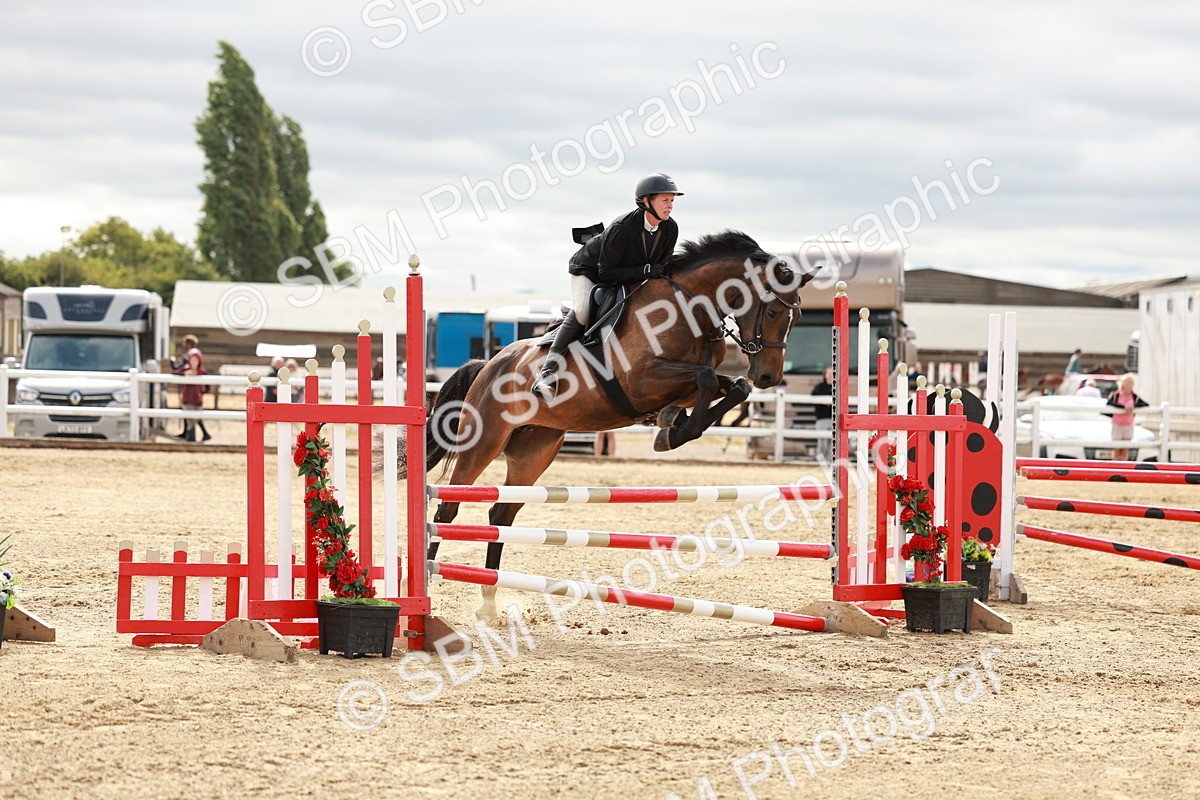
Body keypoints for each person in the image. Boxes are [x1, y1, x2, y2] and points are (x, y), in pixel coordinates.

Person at [531, 172, 684, 400]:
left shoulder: (670, 229)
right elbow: (607, 271)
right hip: (591, 271)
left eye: (672, 200)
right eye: (665, 200)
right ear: (646, 201)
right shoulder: (623, 228)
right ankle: (546, 372)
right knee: (583, 310)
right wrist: (644, 271)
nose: (670, 205)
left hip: (625, 275)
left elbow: (660, 264)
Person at [172, 334, 211, 442]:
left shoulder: (190, 354)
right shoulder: (196, 354)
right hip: (192, 394)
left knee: (192, 415)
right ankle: (190, 434)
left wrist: (174, 364)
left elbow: (178, 368)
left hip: (193, 394)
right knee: (191, 414)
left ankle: (191, 435)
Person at [1106, 373, 1148, 461]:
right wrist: (1123, 408)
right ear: (1122, 383)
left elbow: (1145, 404)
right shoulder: (1116, 395)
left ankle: (1124, 467)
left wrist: (1133, 407)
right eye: (1127, 381)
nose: (1129, 384)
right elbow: (1109, 405)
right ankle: (1115, 466)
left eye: (1131, 382)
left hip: (1128, 424)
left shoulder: (1134, 397)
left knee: (1125, 448)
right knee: (1116, 448)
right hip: (1117, 424)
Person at [812, 366, 834, 463]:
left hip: (834, 419)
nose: (830, 376)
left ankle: (829, 462)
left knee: (832, 444)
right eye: (828, 373)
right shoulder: (819, 387)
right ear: (824, 375)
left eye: (832, 373)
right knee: (822, 444)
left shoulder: (838, 387)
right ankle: (820, 461)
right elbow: (814, 396)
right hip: (822, 420)